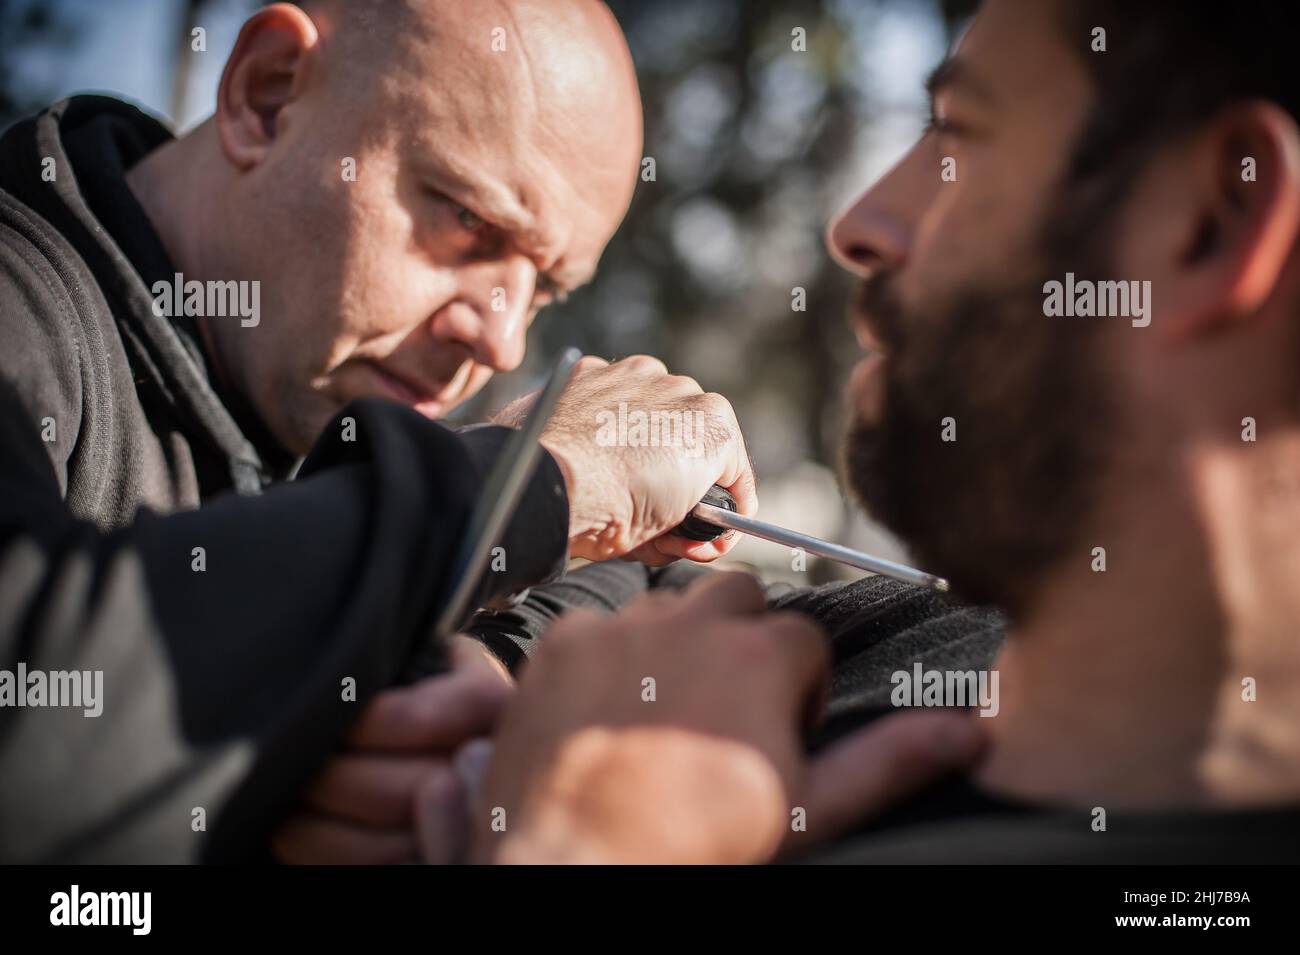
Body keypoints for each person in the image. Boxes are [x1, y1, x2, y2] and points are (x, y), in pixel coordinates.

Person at [464, 0, 1300, 864]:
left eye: (958, 137)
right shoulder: (935, 629)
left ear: (1213, 222)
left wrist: (573, 843)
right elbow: (643, 582)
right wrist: (495, 654)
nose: (857, 223)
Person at [0, 0, 763, 863]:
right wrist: (526, 480)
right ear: (268, 94)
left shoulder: (292, 375)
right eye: (467, 221)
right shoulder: (21, 319)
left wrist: (471, 666)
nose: (503, 340)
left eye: (545, 287)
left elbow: (631, 583)